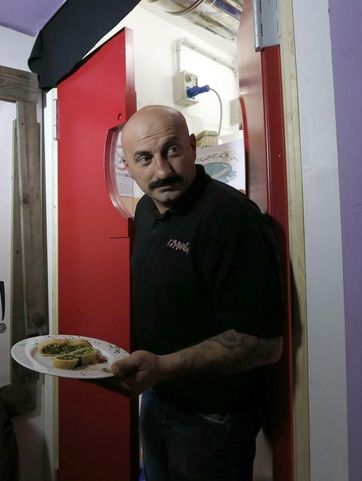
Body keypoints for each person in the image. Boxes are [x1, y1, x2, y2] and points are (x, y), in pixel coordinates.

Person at [104, 105, 284, 481]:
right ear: (127, 165)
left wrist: (163, 367)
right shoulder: (148, 209)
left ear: (192, 147)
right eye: (144, 159)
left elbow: (264, 343)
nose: (162, 171)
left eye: (172, 150)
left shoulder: (230, 218)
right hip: (160, 397)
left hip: (214, 417)